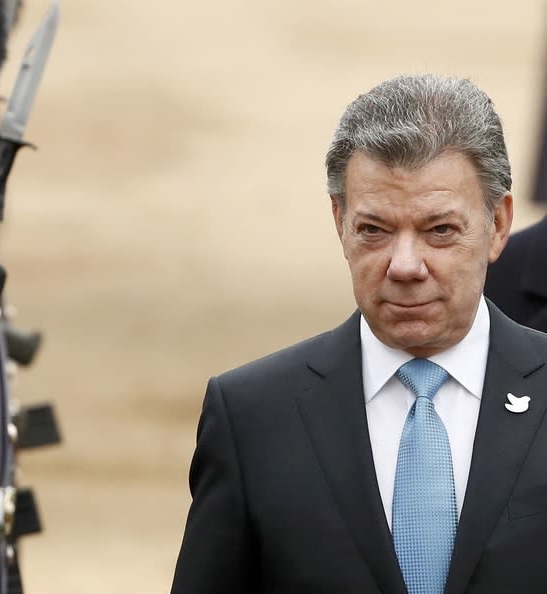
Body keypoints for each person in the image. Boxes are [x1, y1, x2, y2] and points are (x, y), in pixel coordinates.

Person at [170, 74, 547, 594]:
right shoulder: (252, 417)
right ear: (339, 223)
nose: (406, 265)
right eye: (375, 230)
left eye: (439, 231)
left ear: (498, 225)